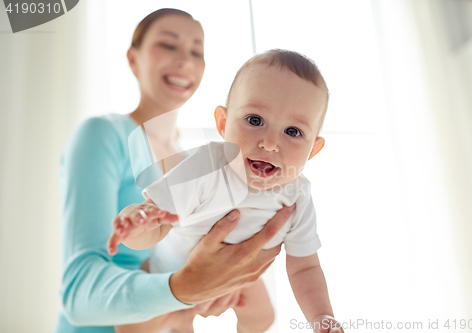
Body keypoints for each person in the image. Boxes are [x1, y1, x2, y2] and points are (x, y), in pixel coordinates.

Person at [56, 9, 294, 333]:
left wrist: (220, 282)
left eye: (197, 51)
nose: (185, 60)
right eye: (168, 45)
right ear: (133, 58)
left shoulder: (199, 166)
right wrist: (184, 289)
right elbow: (78, 294)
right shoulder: (103, 134)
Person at [108, 50, 345, 333]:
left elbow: (305, 267)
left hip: (237, 277)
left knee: (262, 318)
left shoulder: (298, 194)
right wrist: (137, 225)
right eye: (255, 120)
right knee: (129, 325)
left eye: (293, 132)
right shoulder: (206, 166)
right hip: (168, 273)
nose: (269, 144)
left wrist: (322, 317)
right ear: (223, 123)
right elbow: (156, 224)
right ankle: (178, 319)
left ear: (313, 150)